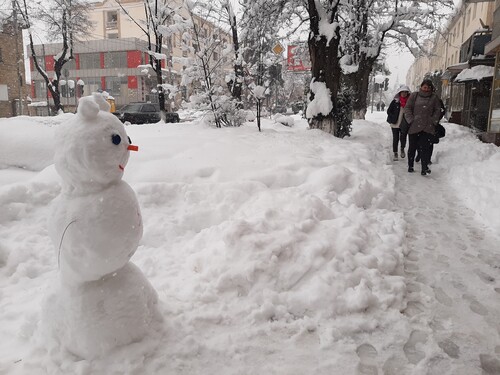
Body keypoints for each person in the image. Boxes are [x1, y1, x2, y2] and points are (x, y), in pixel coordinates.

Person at [404, 79, 443, 176]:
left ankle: (424, 168)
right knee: (412, 147)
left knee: (424, 148)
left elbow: (438, 110)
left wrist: (433, 120)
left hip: (427, 127)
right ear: (421, 87)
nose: (426, 89)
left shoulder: (434, 97)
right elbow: (407, 108)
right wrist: (411, 119)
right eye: (424, 87)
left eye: (428, 87)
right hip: (414, 125)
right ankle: (410, 166)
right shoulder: (414, 95)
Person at [386, 85, 411, 161]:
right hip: (395, 123)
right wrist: (393, 117)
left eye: (405, 92)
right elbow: (389, 111)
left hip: (405, 123)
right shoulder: (395, 101)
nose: (404, 94)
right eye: (402, 92)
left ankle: (402, 148)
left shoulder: (410, 102)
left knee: (403, 137)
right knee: (395, 138)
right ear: (399, 93)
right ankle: (395, 152)